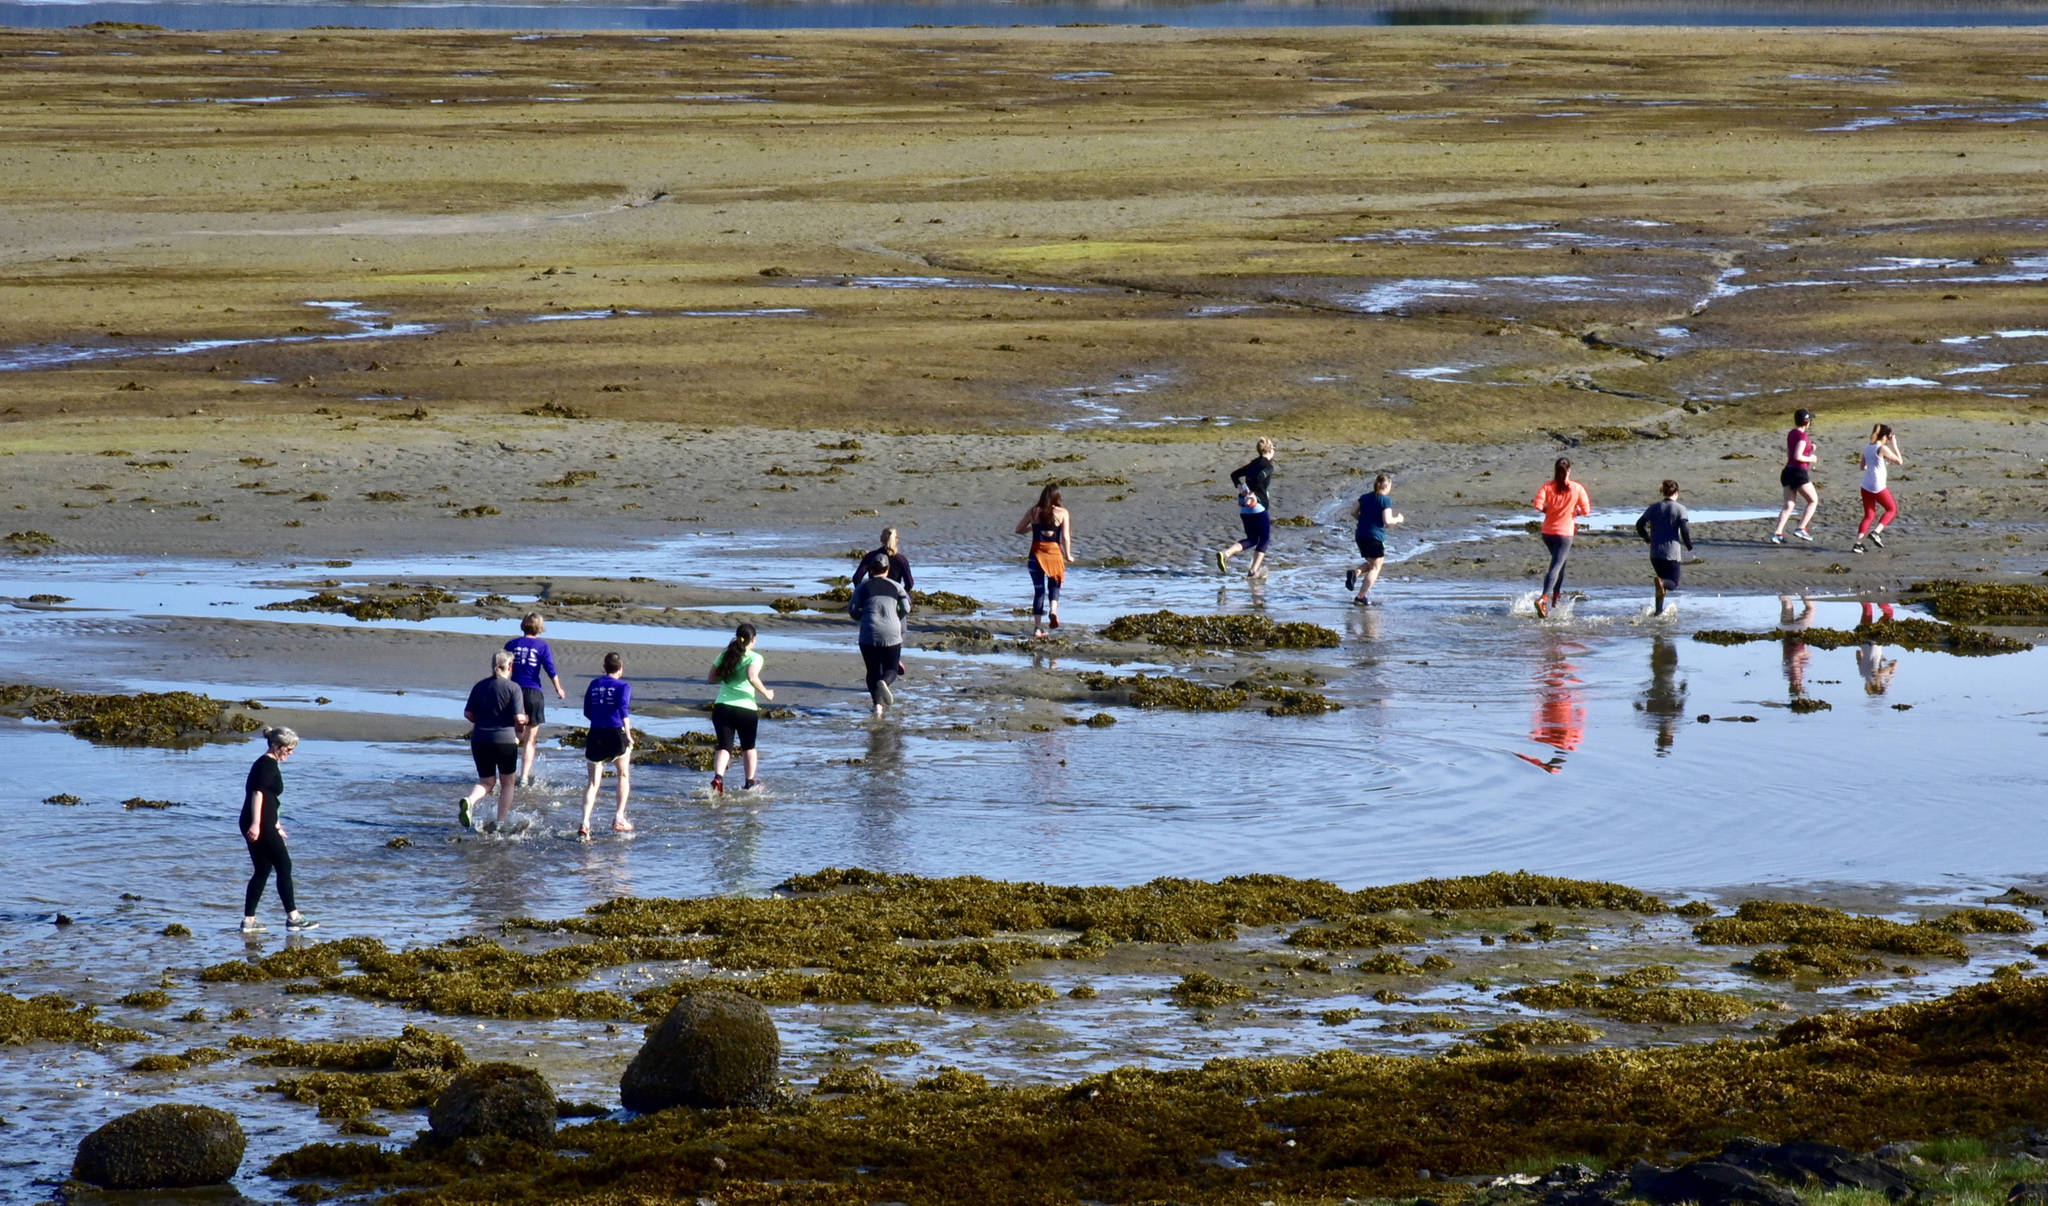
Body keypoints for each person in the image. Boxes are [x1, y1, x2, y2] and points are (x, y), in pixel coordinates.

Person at [240, 726, 315, 934]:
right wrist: (257, 824)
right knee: (284, 865)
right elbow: (257, 794)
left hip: (264, 822)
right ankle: (293, 917)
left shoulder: (269, 764)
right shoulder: (266, 765)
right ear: (275, 746)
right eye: (288, 749)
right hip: (258, 822)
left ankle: (249, 921)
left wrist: (277, 825)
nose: (290, 753)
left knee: (263, 870)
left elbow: (271, 799)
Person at [459, 650, 528, 831]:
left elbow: (468, 713)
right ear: (510, 667)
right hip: (505, 741)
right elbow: (520, 718)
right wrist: (522, 728)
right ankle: (500, 822)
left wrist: (482, 721)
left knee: (486, 782)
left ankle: (470, 800)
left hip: (480, 739)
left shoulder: (479, 686)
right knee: (507, 783)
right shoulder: (513, 688)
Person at [709, 622, 773, 794]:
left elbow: (711, 678)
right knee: (749, 747)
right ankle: (749, 782)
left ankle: (718, 778)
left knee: (724, 747)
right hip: (746, 709)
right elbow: (752, 676)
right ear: (754, 640)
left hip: (723, 707)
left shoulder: (726, 654)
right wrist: (766, 693)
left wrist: (726, 677)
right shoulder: (755, 657)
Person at [504, 613, 565, 787]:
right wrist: (558, 689)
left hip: (514, 691)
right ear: (539, 627)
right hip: (534, 694)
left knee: (515, 735)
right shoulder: (542, 646)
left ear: (523, 625)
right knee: (530, 739)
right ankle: (523, 777)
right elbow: (550, 669)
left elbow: (505, 668)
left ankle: (507, 773)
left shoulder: (511, 644)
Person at [579, 651, 634, 838]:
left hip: (596, 733)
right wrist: (628, 734)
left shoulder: (594, 684)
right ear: (620, 668)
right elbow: (623, 709)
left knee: (593, 783)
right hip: (615, 732)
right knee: (623, 774)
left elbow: (587, 710)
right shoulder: (623, 685)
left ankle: (585, 822)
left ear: (604, 667)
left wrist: (599, 720)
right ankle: (619, 817)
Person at [849, 553, 911, 720]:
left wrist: (862, 615)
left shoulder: (862, 587)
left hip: (869, 633)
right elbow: (906, 608)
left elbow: (852, 610)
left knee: (872, 670)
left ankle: (877, 706)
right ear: (887, 569)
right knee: (891, 669)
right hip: (892, 633)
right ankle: (885, 682)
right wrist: (895, 616)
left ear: (870, 570)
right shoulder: (897, 587)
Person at [1530, 457, 1591, 618]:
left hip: (1547, 533)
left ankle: (1556, 599)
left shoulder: (1548, 486)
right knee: (1556, 565)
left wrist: (1549, 511)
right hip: (1564, 533)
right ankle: (1544, 598)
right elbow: (1586, 510)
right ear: (1569, 470)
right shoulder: (1577, 488)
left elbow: (1537, 504)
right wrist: (1573, 512)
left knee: (1560, 563)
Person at [1014, 485, 1072, 638]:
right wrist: (1068, 555)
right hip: (1054, 554)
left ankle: (1037, 629)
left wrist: (1032, 528)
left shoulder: (1033, 511)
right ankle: (1053, 610)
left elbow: (1018, 529)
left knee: (1039, 591)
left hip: (1036, 554)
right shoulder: (1062, 513)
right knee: (1055, 584)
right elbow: (1065, 536)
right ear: (1056, 497)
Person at [1216, 437, 1277, 578]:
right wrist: (1253, 494)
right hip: (1257, 505)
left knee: (1252, 539)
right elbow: (1261, 477)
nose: (1274, 451)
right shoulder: (1268, 466)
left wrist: (1242, 488)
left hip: (1244, 506)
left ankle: (1225, 554)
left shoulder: (1253, 464)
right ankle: (1253, 572)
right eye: (1274, 448)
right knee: (1265, 538)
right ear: (1269, 450)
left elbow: (1234, 475)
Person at [1635, 479, 1694, 616]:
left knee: (1661, 585)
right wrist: (1688, 545)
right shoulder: (1680, 509)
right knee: (1672, 582)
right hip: (1671, 552)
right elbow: (1684, 529)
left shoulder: (1654, 507)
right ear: (1677, 493)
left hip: (1655, 553)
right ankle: (1660, 591)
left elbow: (1639, 525)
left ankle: (1658, 611)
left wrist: (1647, 539)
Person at [1346, 472, 1404, 606]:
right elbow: (1387, 521)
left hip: (1360, 535)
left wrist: (1363, 520)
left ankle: (1355, 573)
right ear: (1387, 486)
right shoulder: (1385, 500)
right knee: (1376, 568)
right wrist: (1398, 519)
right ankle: (1361, 596)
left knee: (1372, 562)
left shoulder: (1365, 497)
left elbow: (1353, 512)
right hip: (1374, 537)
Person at [1771, 408, 1819, 544]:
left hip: (1788, 471)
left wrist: (1810, 447)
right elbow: (1797, 456)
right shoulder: (1803, 436)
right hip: (1798, 473)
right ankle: (1801, 528)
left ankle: (1778, 534)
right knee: (1813, 501)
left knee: (1789, 505)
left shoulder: (1792, 433)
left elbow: (1790, 453)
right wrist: (1811, 458)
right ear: (1807, 422)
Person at [1855, 423, 1903, 554]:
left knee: (1869, 515)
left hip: (1866, 485)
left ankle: (1858, 544)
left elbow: (1863, 467)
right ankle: (1876, 532)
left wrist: (1881, 463)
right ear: (1885, 437)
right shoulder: (1882, 448)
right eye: (1889, 437)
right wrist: (1895, 445)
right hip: (1877, 486)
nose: (1889, 440)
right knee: (1892, 509)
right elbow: (1899, 461)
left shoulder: (1867, 447)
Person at [850, 527, 914, 594]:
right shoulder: (901, 560)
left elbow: (856, 578)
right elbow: (910, 583)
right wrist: (899, 595)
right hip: (893, 597)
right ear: (896, 540)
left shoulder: (871, 556)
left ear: (881, 539)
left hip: (872, 595)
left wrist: (863, 593)